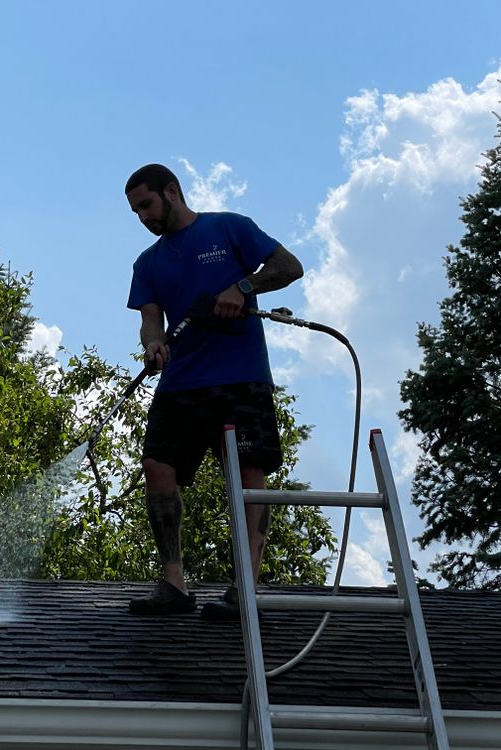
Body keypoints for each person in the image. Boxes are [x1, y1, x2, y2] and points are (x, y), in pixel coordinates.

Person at [124, 163, 303, 619]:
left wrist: (243, 287)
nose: (143, 217)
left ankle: (245, 587)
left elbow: (289, 266)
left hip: (240, 377)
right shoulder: (148, 263)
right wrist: (154, 344)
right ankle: (173, 585)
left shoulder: (229, 228)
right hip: (180, 382)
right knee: (156, 467)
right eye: (135, 212)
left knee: (247, 477)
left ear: (171, 190)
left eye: (146, 205)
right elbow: (150, 321)